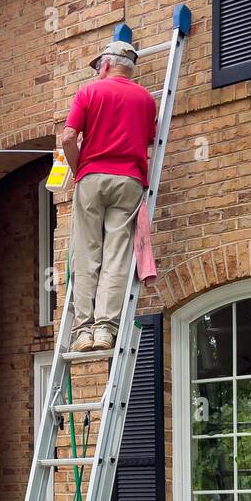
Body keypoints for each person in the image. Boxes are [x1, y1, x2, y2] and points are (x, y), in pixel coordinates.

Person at [61, 38, 157, 352]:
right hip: (128, 181)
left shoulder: (89, 91)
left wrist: (78, 169)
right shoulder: (146, 99)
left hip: (92, 179)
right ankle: (105, 330)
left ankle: (83, 331)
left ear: (105, 64)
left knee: (88, 254)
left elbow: (68, 137)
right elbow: (150, 140)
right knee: (117, 256)